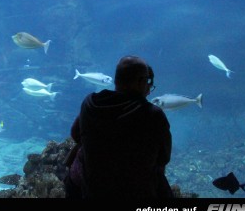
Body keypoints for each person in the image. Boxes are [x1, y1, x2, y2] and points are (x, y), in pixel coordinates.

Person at [65, 55, 173, 199]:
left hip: (91, 189)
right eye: (148, 81)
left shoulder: (90, 103)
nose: (149, 87)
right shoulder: (153, 115)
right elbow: (163, 157)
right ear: (141, 82)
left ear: (116, 80)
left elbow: (75, 135)